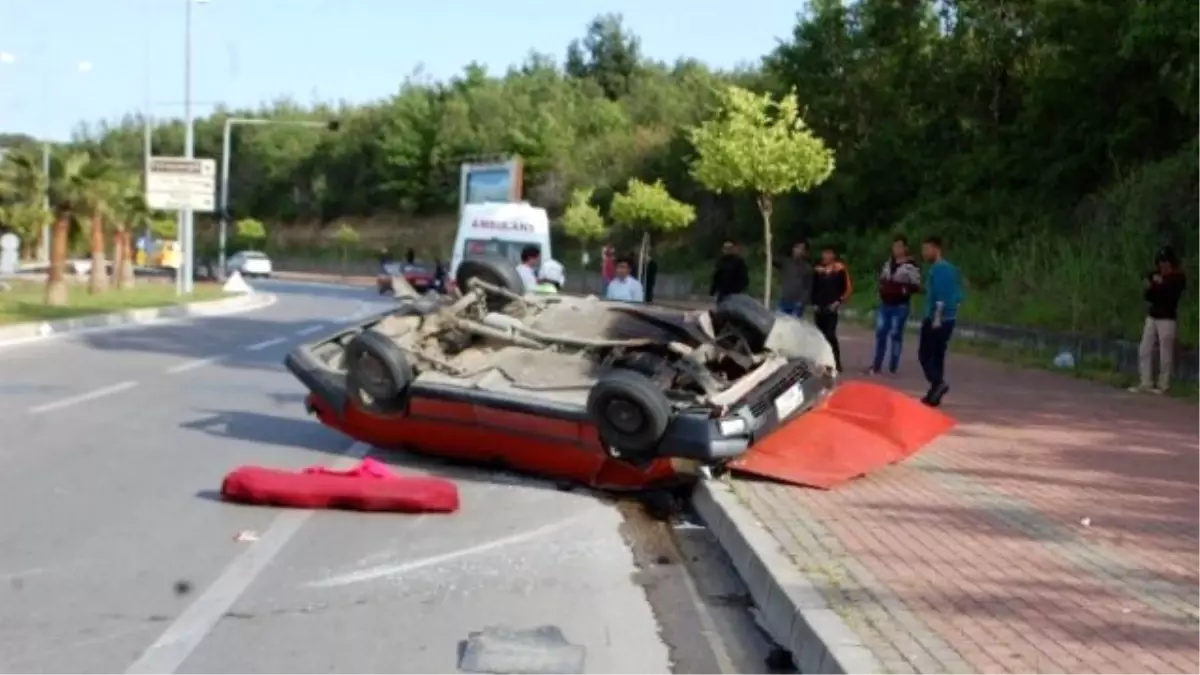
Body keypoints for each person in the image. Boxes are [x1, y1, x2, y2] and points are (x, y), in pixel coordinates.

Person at [1130, 246, 1187, 394]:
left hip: (1167, 318)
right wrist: (1152, 286)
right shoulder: (1154, 275)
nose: (1163, 265)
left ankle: (1164, 384)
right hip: (1153, 315)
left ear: (1172, 262)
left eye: (1166, 261)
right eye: (1161, 262)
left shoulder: (1178, 278)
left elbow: (1173, 296)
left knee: (1165, 352)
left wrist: (1161, 284)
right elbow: (1148, 296)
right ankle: (1145, 381)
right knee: (1144, 348)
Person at [917, 236, 963, 407]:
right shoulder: (950, 269)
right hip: (947, 318)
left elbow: (941, 296)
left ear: (936, 249)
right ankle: (935, 393)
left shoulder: (940, 269)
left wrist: (936, 318)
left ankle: (938, 383)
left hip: (938, 318)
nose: (924, 253)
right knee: (937, 356)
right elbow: (958, 295)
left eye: (927, 249)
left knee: (925, 355)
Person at [866, 235, 922, 375]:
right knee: (881, 333)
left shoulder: (911, 266)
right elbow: (882, 280)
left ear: (905, 248)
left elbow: (916, 285)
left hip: (900, 305)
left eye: (899, 247)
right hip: (885, 303)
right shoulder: (888, 264)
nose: (896, 250)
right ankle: (877, 364)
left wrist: (903, 289)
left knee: (896, 334)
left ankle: (893, 365)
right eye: (894, 247)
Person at [811, 244, 852, 372]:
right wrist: (814, 303)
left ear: (834, 255)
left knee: (830, 335)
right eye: (824, 253)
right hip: (819, 307)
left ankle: (836, 362)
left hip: (832, 307)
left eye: (829, 253)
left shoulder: (839, 269)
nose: (826, 256)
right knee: (820, 336)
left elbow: (847, 288)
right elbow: (813, 287)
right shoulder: (817, 269)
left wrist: (838, 301)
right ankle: (821, 362)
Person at [775, 239, 813, 318]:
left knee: (793, 324)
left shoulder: (807, 268)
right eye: (796, 248)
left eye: (800, 248)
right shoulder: (786, 262)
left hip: (797, 302)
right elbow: (772, 260)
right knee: (781, 321)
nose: (797, 250)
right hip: (784, 299)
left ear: (805, 252)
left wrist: (802, 301)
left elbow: (808, 287)